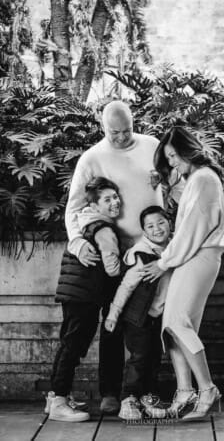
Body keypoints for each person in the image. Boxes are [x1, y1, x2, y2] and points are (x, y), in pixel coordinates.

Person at [65, 100, 163, 413]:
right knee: (113, 324)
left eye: (126, 131)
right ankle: (110, 393)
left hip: (150, 252)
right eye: (113, 132)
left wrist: (165, 182)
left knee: (149, 325)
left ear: (134, 122)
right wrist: (78, 243)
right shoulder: (92, 157)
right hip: (115, 256)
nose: (120, 137)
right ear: (102, 126)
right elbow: (74, 208)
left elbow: (176, 185)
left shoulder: (152, 146)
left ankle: (145, 392)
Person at [143, 126, 224, 421]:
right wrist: (166, 180)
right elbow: (187, 207)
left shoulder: (204, 178)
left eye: (173, 156)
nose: (172, 164)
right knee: (172, 325)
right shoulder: (198, 179)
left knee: (178, 322)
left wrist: (164, 261)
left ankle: (206, 390)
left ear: (187, 149)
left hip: (199, 256)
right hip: (194, 256)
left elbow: (192, 228)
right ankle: (184, 393)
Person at [47, 177, 122, 422]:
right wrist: (126, 268)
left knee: (69, 343)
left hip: (76, 292)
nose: (115, 202)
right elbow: (111, 265)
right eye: (108, 199)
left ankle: (55, 397)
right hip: (85, 294)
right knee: (74, 346)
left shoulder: (85, 222)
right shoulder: (104, 228)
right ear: (95, 205)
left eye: (116, 197)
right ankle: (59, 401)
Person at [104, 206, 172, 420]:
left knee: (154, 357)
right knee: (139, 357)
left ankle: (148, 398)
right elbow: (126, 286)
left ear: (169, 223)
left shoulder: (175, 248)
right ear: (144, 232)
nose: (157, 229)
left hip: (157, 316)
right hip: (137, 317)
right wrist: (113, 314)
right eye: (150, 226)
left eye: (161, 222)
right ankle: (128, 399)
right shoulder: (141, 254)